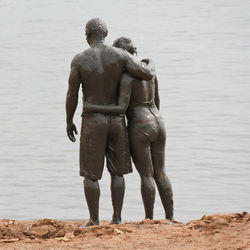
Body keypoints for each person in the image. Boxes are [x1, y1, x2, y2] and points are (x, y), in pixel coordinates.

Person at [66, 19, 155, 226]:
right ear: (105, 33)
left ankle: (94, 220)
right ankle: (116, 218)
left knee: (91, 174)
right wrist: (151, 63)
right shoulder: (121, 56)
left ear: (88, 34)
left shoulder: (79, 60)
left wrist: (69, 120)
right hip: (117, 121)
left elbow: (72, 95)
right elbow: (146, 74)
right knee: (117, 171)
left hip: (92, 121)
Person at [83, 37, 173, 220]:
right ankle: (170, 218)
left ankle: (149, 219)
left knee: (147, 175)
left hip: (140, 125)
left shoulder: (127, 77)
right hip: (158, 122)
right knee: (161, 172)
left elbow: (121, 109)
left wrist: (92, 107)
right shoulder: (150, 72)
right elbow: (157, 101)